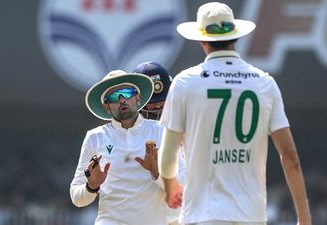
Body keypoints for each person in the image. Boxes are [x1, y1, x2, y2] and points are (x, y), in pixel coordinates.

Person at [158, 2, 312, 225]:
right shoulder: (264, 83)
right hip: (250, 216)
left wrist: (170, 187)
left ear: (201, 40)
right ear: (235, 37)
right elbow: (290, 158)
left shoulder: (185, 83)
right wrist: (304, 218)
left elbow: (168, 155)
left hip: (202, 216)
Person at [70, 70, 185, 225]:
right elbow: (77, 198)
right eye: (114, 97)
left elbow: (183, 186)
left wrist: (157, 173)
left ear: (138, 97)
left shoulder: (162, 131)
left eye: (127, 92)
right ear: (106, 107)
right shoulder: (95, 137)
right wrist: (92, 186)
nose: (122, 100)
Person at [133, 61, 184, 225]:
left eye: (162, 102)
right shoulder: (124, 134)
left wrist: (157, 173)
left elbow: (184, 181)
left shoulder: (182, 128)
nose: (158, 107)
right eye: (152, 103)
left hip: (176, 218)